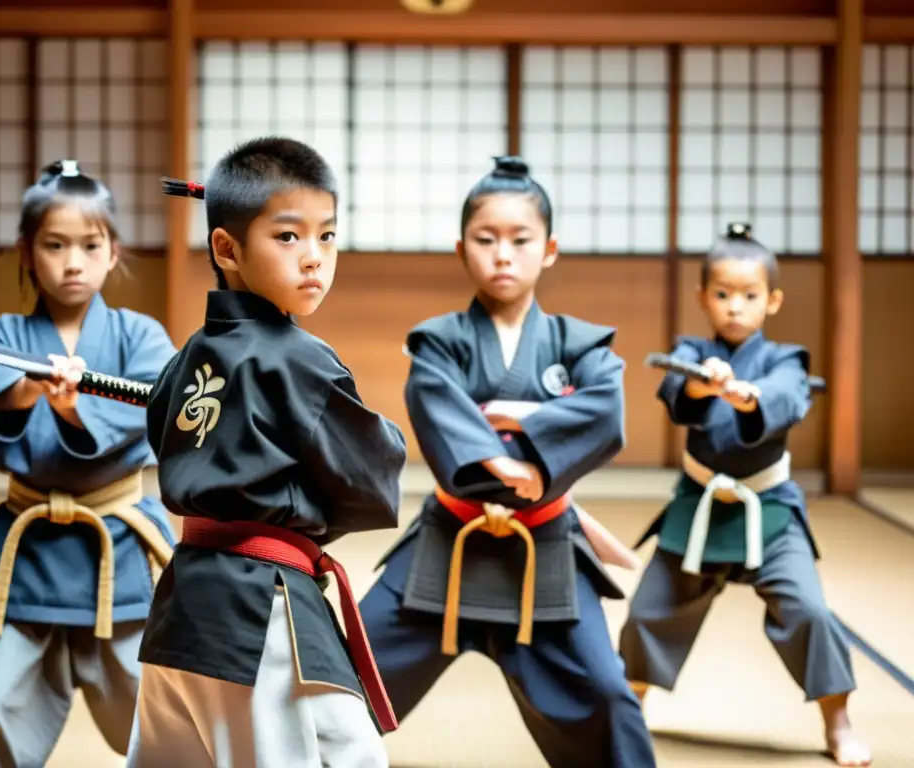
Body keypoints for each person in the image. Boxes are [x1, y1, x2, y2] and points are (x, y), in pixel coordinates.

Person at [358, 156, 656, 768]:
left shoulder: (582, 344)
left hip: (545, 545)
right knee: (343, 679)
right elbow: (433, 400)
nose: (503, 255)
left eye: (520, 241)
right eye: (485, 239)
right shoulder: (439, 340)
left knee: (607, 695)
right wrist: (502, 457)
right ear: (461, 248)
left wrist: (514, 424)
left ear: (549, 250)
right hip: (450, 538)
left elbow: (606, 413)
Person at [126, 137, 408, 768]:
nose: (314, 258)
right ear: (227, 249)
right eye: (288, 238)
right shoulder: (299, 357)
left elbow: (162, 434)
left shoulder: (189, 355)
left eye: (327, 237)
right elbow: (372, 474)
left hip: (183, 603)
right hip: (261, 608)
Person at [0, 160, 178, 767]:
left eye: (88, 245)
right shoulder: (1, 334)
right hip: (27, 560)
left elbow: (164, 406)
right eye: (54, 245)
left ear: (112, 252)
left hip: (121, 552)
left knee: (161, 712)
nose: (72, 261)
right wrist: (26, 390)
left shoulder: (141, 337)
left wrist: (78, 412)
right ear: (27, 252)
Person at [618, 222, 871, 767]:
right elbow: (675, 390)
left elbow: (786, 396)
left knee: (808, 610)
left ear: (772, 300)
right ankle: (628, 711)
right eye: (723, 294)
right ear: (702, 297)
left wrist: (749, 395)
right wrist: (698, 382)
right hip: (699, 507)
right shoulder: (692, 351)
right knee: (646, 613)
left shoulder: (787, 360)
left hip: (769, 510)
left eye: (750, 295)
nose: (735, 307)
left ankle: (838, 720)